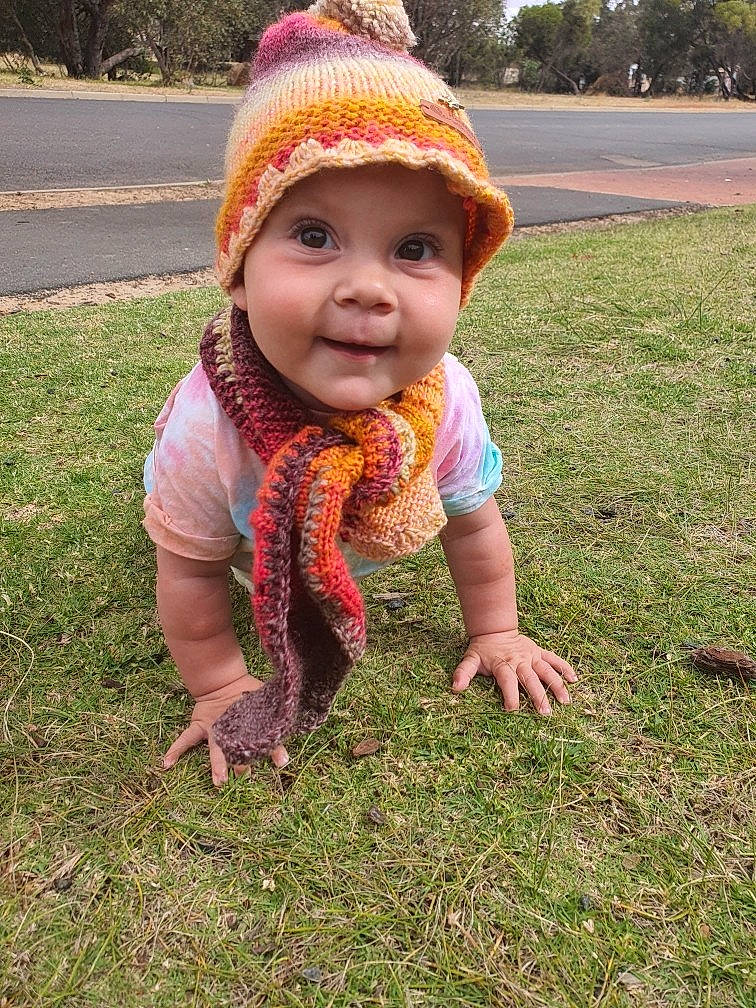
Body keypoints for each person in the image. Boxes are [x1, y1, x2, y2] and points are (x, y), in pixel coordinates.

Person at [143, 0, 577, 787]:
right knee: (191, 540)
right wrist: (219, 685)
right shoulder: (209, 425)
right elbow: (190, 576)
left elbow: (473, 525)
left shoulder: (447, 402)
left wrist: (498, 631)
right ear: (238, 266)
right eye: (315, 237)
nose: (369, 288)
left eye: (415, 248)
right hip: (234, 542)